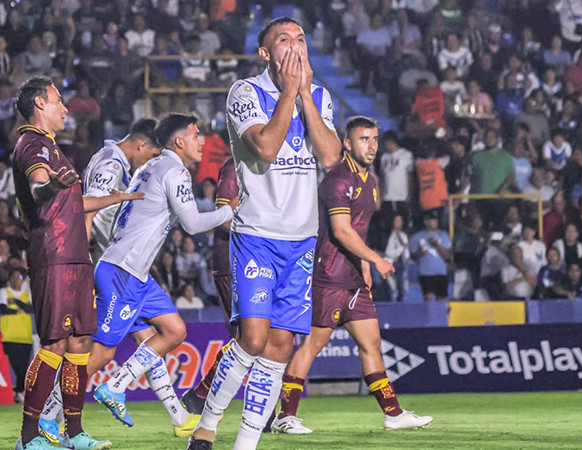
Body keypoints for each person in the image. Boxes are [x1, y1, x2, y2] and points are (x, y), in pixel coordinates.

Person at [189, 17, 342, 450]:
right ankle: (207, 426)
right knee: (252, 340)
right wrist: (291, 91)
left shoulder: (319, 96)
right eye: (283, 40)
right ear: (265, 52)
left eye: (300, 39)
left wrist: (305, 94)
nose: (294, 47)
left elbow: (331, 156)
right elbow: (266, 146)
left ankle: (246, 444)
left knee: (279, 347)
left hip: (302, 239)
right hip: (257, 234)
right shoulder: (245, 92)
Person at [272, 116, 431, 435]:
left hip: (354, 280)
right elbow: (342, 232)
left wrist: (364, 266)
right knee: (313, 346)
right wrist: (377, 260)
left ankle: (393, 414)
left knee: (371, 343)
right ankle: (284, 416)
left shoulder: (370, 181)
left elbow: (359, 229)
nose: (371, 146)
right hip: (329, 277)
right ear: (347, 143)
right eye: (363, 139)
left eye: (374, 140)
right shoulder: (338, 181)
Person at [85, 114, 234, 438]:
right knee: (101, 352)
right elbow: (192, 224)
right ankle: (49, 414)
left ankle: (125, 390)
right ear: (179, 141)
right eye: (196, 135)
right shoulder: (173, 170)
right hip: (122, 270)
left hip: (135, 273)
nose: (202, 141)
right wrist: (229, 211)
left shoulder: (147, 167)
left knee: (173, 329)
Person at [11, 76, 136, 450]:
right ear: (39, 105)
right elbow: (39, 187)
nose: (65, 108)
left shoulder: (52, 146)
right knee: (56, 341)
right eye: (58, 101)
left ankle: (75, 432)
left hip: (76, 255)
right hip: (54, 254)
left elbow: (71, 204)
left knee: (81, 340)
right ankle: (29, 436)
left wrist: (113, 199)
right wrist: (50, 185)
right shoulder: (33, 144)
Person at [179, 157, 239, 414]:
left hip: (263, 261)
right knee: (249, 339)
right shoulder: (236, 166)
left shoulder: (274, 166)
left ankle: (201, 393)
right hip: (235, 262)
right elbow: (224, 220)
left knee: (255, 339)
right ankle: (266, 413)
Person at [82, 119, 163, 262]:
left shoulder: (108, 156)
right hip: (99, 260)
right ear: (142, 145)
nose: (151, 163)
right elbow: (88, 209)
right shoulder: (112, 166)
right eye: (153, 156)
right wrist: (80, 259)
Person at [0, 268, 33, 404]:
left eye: (19, 278)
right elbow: (3, 309)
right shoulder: (4, 292)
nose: (15, 280)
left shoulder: (26, 293)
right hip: (9, 335)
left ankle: (19, 392)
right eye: (13, 277)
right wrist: (19, 309)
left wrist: (16, 303)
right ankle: (18, 391)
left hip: (25, 335)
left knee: (23, 367)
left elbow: (30, 309)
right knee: (17, 366)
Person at [408, 211, 452, 301]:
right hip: (425, 272)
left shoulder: (443, 235)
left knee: (441, 298)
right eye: (431, 220)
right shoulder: (417, 237)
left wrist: (437, 245)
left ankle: (439, 315)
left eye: (435, 220)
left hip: (440, 272)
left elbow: (447, 256)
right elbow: (413, 256)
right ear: (426, 222)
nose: (434, 222)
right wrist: (420, 253)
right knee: (428, 298)